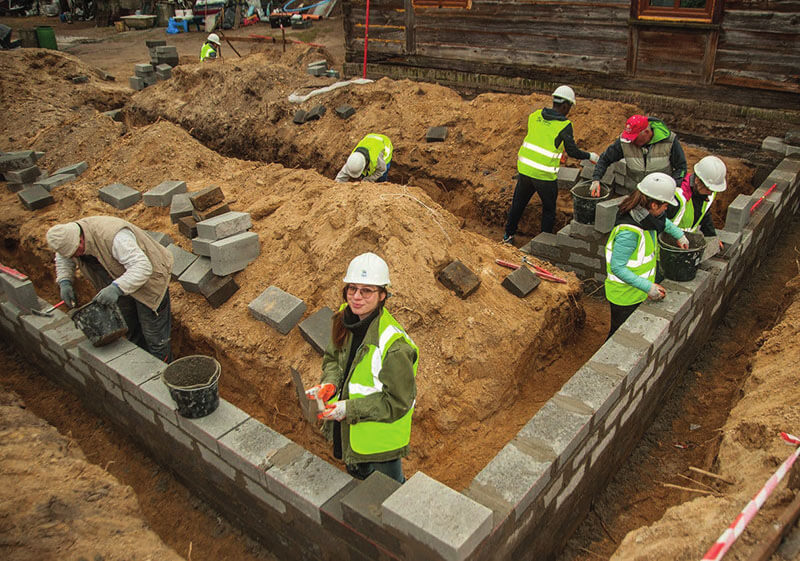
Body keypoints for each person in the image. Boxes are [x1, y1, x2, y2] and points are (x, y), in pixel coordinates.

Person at [305, 252, 418, 484]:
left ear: (383, 295)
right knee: (358, 482)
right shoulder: (345, 318)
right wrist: (330, 383)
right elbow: (333, 359)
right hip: (350, 432)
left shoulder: (394, 347)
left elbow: (398, 402)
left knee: (387, 492)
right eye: (352, 288)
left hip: (379, 444)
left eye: (367, 290)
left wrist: (348, 409)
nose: (356, 297)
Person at [45, 216, 174, 363]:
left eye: (76, 252)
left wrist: (116, 289)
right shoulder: (68, 238)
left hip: (149, 280)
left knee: (155, 338)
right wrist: (65, 281)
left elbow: (142, 267)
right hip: (118, 281)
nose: (75, 256)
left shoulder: (114, 237)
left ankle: (162, 373)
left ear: (80, 240)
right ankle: (143, 367)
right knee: (132, 331)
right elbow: (63, 256)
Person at [503, 85, 599, 243]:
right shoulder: (564, 126)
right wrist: (590, 156)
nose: (569, 111)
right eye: (569, 107)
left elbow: (541, 139)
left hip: (525, 170)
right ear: (565, 105)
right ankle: (543, 242)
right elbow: (573, 151)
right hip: (544, 176)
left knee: (518, 204)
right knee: (548, 210)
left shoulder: (534, 116)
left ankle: (508, 235)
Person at [604, 173, 689, 338]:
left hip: (637, 289)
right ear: (654, 205)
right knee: (619, 335)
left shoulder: (647, 217)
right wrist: (648, 287)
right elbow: (617, 267)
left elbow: (663, 222)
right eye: (665, 205)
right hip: (624, 295)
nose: (666, 209)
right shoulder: (629, 232)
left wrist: (679, 235)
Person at [590, 114, 687, 197]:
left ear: (647, 132)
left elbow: (681, 168)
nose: (631, 141)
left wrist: (673, 187)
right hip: (634, 195)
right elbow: (604, 159)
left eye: (634, 138)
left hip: (659, 199)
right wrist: (596, 179)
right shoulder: (625, 142)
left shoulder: (669, 141)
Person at [666, 155, 727, 250]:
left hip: (684, 248)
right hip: (664, 249)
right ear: (697, 180)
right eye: (708, 188)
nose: (711, 192)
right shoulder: (677, 196)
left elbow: (705, 215)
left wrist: (711, 237)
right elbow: (659, 222)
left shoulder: (708, 194)